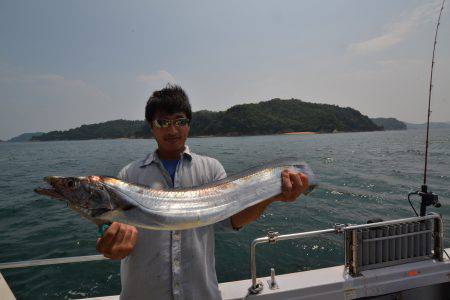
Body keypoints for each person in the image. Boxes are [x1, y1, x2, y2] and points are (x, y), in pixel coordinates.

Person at [96, 84, 309, 300]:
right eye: (163, 122)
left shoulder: (211, 169)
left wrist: (272, 196)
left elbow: (232, 220)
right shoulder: (128, 175)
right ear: (151, 127)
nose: (172, 130)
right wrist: (111, 245)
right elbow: (111, 229)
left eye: (180, 122)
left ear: (189, 125)